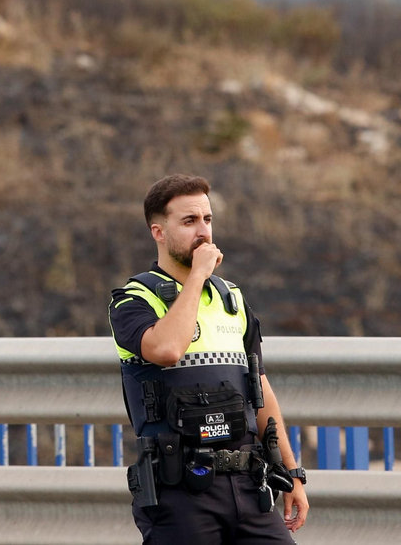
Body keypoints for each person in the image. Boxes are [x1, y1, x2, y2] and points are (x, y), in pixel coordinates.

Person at [109, 173, 310, 544]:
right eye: (189, 221)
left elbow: (260, 387)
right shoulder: (132, 300)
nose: (203, 232)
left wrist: (291, 470)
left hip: (248, 487)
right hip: (179, 493)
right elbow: (167, 350)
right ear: (158, 232)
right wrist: (198, 275)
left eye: (207, 219)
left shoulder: (232, 299)